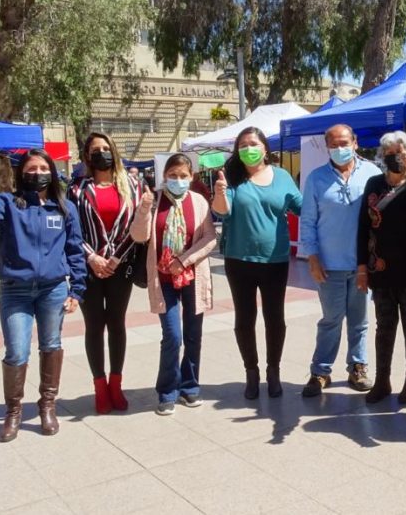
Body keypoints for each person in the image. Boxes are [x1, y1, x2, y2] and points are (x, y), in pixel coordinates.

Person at [0, 149, 87, 442]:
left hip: (53, 289)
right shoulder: (7, 203)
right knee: (17, 351)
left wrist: (77, 290)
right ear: (21, 173)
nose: (37, 173)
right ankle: (13, 412)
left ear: (52, 172)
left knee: (51, 345)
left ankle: (48, 405)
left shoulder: (65, 207)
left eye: (42, 168)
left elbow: (75, 250)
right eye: (30, 169)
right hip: (15, 290)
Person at [213, 127, 302, 399]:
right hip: (239, 260)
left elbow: (301, 207)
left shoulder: (283, 177)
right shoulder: (231, 178)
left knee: (275, 319)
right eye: (242, 145)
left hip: (275, 260)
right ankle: (251, 373)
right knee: (245, 318)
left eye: (253, 143)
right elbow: (222, 211)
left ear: (265, 148)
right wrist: (219, 192)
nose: (248, 149)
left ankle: (273, 371)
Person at [132, 154, 217, 415]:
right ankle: (167, 390)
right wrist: (144, 209)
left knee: (193, 335)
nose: (178, 180)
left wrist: (184, 260)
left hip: (192, 275)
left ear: (191, 177)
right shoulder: (154, 200)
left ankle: (189, 387)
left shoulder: (199, 202)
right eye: (172, 175)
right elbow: (139, 235)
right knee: (173, 335)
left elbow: (210, 238)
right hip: (163, 278)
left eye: (183, 176)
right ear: (164, 176)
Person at [301, 124, 381, 397]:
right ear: (327, 148)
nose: (340, 149)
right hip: (329, 265)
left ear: (356, 143)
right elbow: (308, 221)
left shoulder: (373, 173)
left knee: (360, 320)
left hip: (362, 265)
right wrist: (312, 257)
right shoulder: (316, 178)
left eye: (344, 142)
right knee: (331, 320)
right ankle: (320, 371)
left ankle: (357, 367)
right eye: (333, 144)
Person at [68, 133, 145, 414]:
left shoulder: (133, 185)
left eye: (105, 148)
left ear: (114, 151)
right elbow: (72, 230)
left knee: (117, 324)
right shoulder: (77, 189)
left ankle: (116, 383)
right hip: (89, 267)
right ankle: (99, 386)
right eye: (95, 150)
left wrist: (114, 258)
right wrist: (92, 257)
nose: (101, 153)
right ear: (87, 156)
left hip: (120, 266)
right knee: (94, 326)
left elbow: (137, 227)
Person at [357, 131, 406, 404]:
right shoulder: (374, 184)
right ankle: (382, 380)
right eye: (389, 154)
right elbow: (363, 227)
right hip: (381, 268)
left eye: (400, 153)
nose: (395, 158)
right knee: (384, 326)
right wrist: (362, 266)